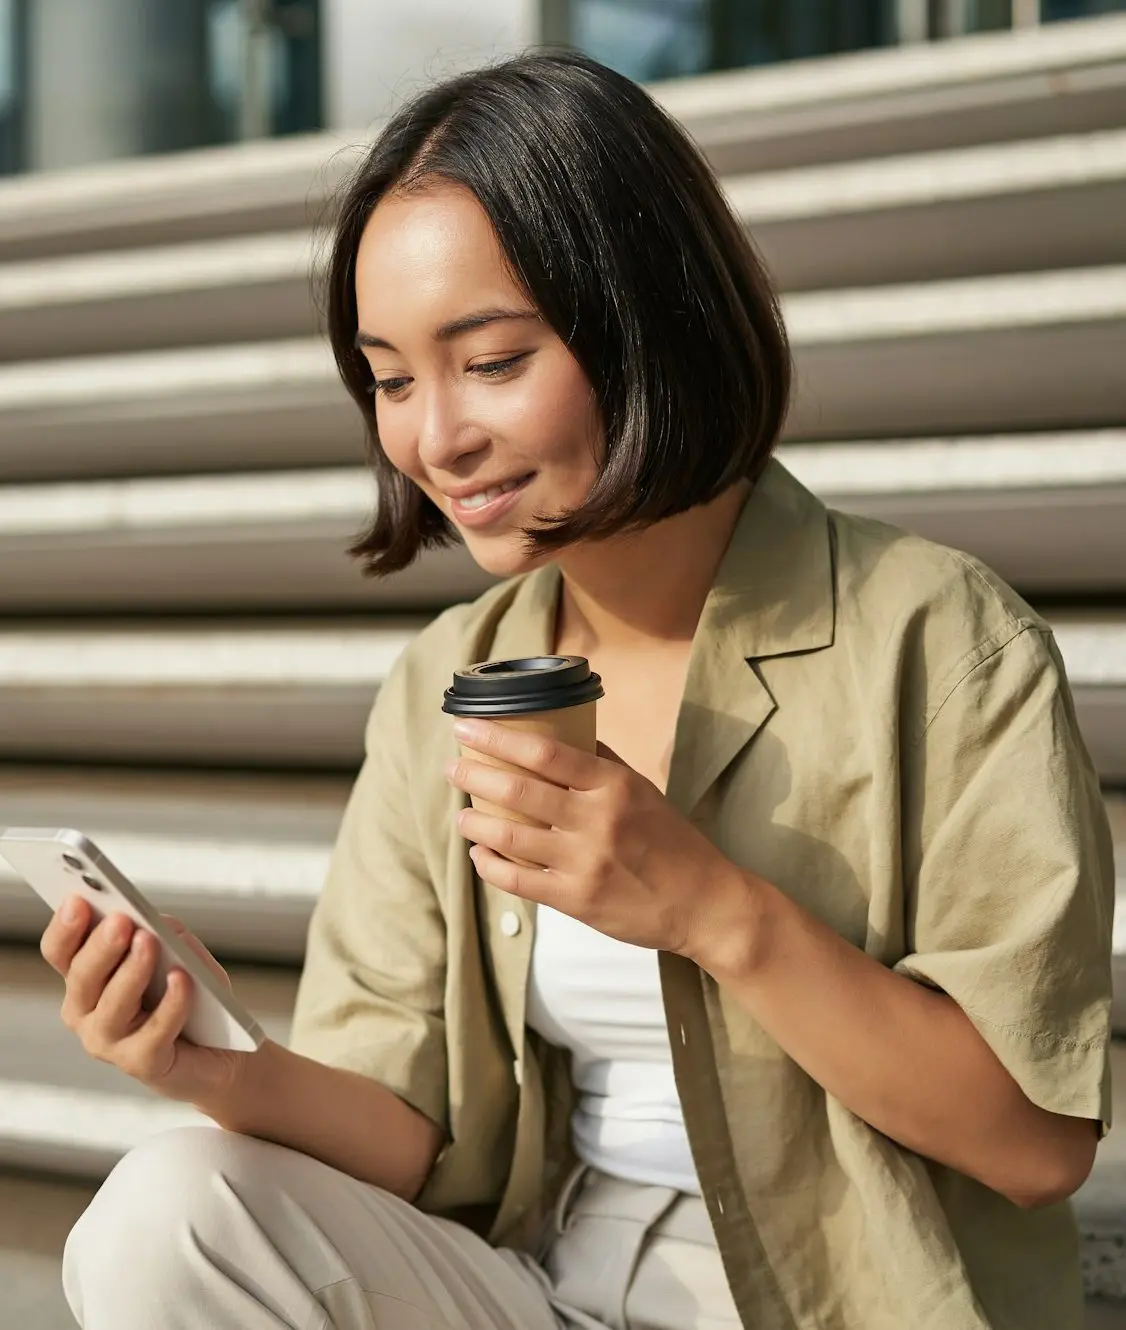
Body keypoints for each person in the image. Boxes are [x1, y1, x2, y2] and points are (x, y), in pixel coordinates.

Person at [43, 48, 1113, 1330]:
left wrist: (710, 905)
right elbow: (408, 1135)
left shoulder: (938, 640)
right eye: (390, 379)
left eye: (491, 361)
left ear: (643, 319)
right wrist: (215, 1062)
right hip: (549, 1290)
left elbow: (1034, 1144)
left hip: (850, 1300)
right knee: (171, 1215)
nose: (435, 438)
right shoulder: (448, 680)